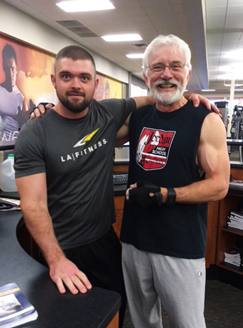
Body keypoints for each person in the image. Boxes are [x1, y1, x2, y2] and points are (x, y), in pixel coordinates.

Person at [15, 44, 217, 328]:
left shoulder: (108, 113)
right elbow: (32, 204)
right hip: (59, 248)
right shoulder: (35, 133)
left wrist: (188, 97)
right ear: (53, 81)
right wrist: (57, 260)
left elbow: (155, 97)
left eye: (84, 78)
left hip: (105, 243)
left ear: (95, 84)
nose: (76, 84)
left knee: (113, 317)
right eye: (66, 76)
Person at [120, 34, 230, 328]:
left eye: (175, 66)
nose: (166, 74)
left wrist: (166, 195)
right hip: (134, 241)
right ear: (145, 75)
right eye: (157, 67)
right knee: (143, 321)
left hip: (180, 245)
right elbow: (89, 122)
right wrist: (47, 111)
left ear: (188, 73)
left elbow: (219, 184)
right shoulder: (137, 116)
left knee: (188, 324)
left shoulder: (205, 119)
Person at [0, 44, 24, 141]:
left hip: (17, 147)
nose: (10, 74)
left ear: (17, 69)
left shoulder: (21, 96)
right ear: (3, 68)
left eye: (12, 69)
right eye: (7, 69)